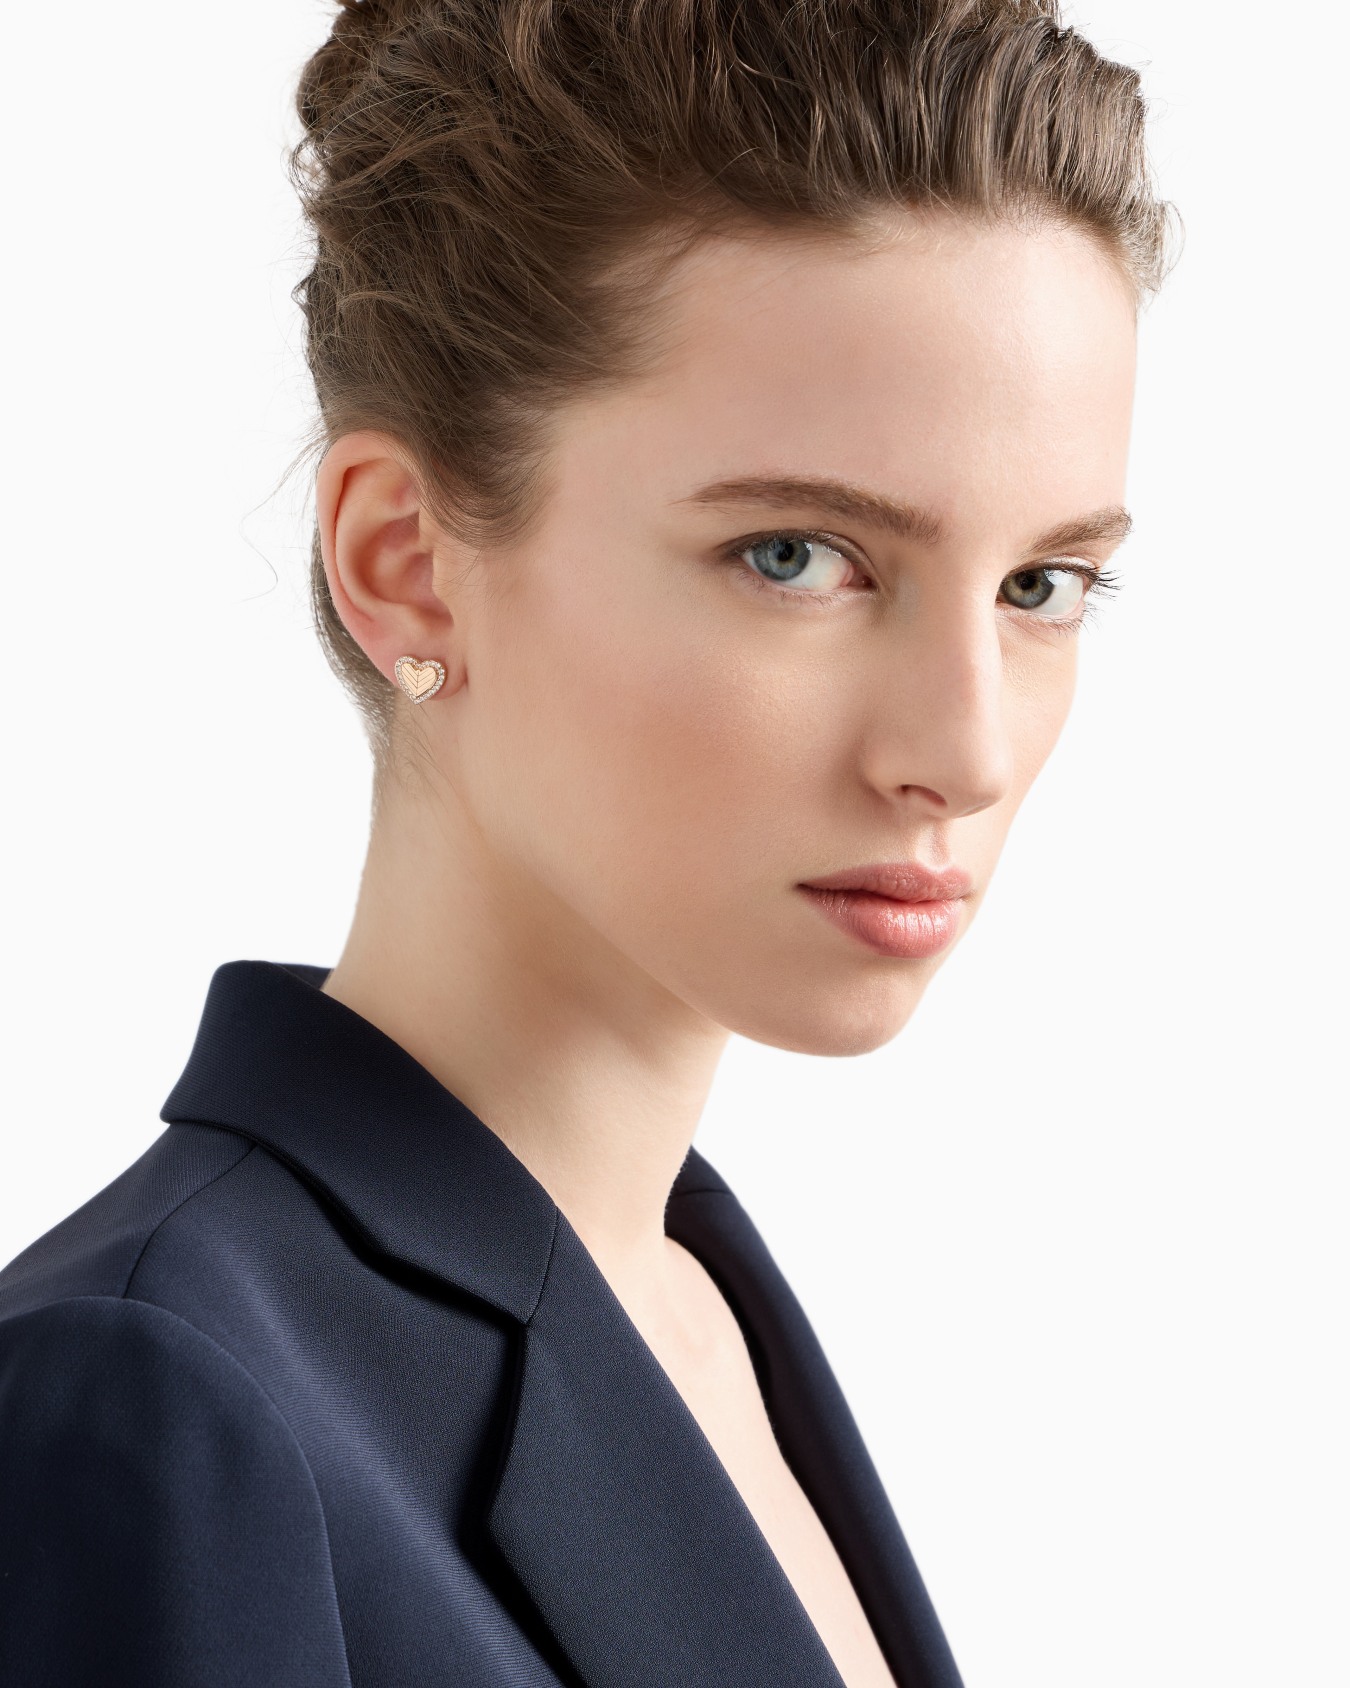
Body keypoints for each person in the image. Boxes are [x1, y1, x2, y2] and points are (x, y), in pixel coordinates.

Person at [0, 1, 1177, 1683]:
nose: (963, 751)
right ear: (407, 563)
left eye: (1040, 585)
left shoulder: (698, 1308)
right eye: (795, 556)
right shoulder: (150, 1406)